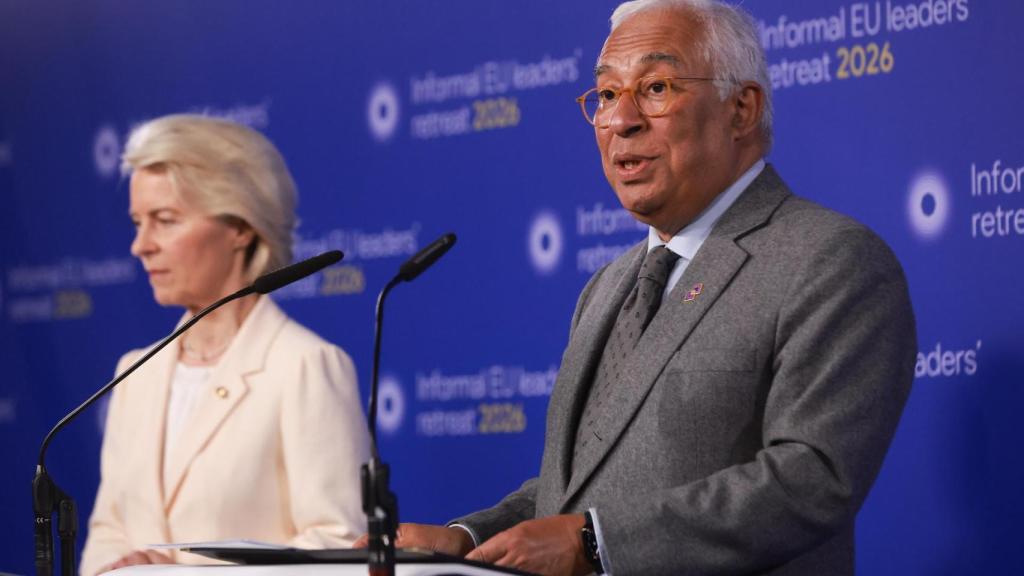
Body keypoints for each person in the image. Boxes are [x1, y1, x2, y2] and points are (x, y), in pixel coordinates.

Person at [371, 0, 917, 574]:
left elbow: (810, 480)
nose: (621, 120)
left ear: (741, 109)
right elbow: (578, 490)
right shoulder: (606, 286)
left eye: (656, 87)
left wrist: (598, 544)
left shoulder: (829, 260)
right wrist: (468, 539)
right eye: (606, 95)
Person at [80, 115, 370, 575]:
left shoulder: (305, 365)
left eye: (165, 220)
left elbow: (339, 547)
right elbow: (107, 531)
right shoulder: (135, 371)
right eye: (137, 222)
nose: (141, 245)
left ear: (240, 226)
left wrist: (176, 571)